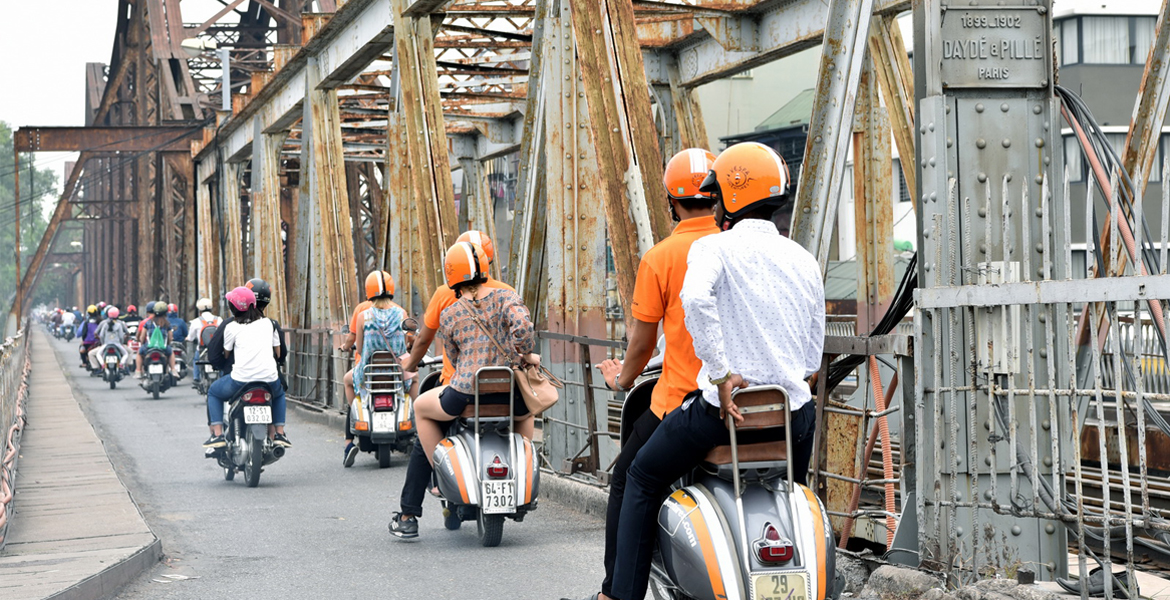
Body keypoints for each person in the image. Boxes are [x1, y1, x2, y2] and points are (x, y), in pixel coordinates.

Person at [607, 142, 825, 600]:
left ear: (731, 196)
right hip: (791, 413)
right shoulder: (803, 259)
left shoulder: (714, 248)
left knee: (642, 477)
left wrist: (723, 373)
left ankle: (621, 595)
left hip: (722, 412)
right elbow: (810, 359)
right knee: (792, 490)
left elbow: (695, 300)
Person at [569, 148, 720, 600]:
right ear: (717, 197)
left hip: (680, 399)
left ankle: (616, 590)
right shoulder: (731, 247)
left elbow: (641, 345)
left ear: (671, 201)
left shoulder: (661, 257)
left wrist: (621, 379)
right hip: (750, 401)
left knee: (629, 479)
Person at [389, 241, 538, 539]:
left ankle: (441, 477)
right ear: (484, 267)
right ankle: (521, 482)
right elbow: (522, 327)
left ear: (451, 276)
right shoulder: (507, 296)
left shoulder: (451, 312)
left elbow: (454, 359)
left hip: (465, 394)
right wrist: (524, 351)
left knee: (421, 408)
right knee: (526, 410)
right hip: (510, 393)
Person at [202, 287, 290, 449]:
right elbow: (278, 352)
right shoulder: (269, 324)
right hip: (269, 380)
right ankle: (279, 433)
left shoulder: (231, 327)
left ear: (232, 307)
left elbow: (226, 354)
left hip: (240, 381)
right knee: (279, 394)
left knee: (213, 392)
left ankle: (217, 435)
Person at [343, 272, 410, 465]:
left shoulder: (363, 316)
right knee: (413, 379)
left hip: (369, 376)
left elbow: (361, 349)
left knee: (348, 381)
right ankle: (413, 420)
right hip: (395, 374)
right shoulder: (402, 313)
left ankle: (357, 410)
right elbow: (405, 345)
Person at [206, 278, 288, 375]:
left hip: (236, 377)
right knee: (281, 388)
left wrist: (221, 365)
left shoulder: (231, 324)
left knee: (214, 390)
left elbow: (215, 354)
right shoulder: (271, 324)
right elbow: (281, 354)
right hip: (268, 378)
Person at [135, 302, 179, 378]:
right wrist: (167, 343)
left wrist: (142, 343)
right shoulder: (167, 323)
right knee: (171, 353)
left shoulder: (148, 322)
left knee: (139, 353)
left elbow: (142, 336)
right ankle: (173, 369)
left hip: (149, 347)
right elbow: (170, 337)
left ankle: (138, 371)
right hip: (163, 348)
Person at [187, 298, 222, 386]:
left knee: (196, 359)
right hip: (216, 350)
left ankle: (196, 378)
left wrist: (188, 339)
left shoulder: (195, 322)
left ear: (199, 311)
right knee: (222, 362)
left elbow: (190, 338)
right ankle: (222, 376)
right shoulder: (219, 320)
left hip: (202, 350)